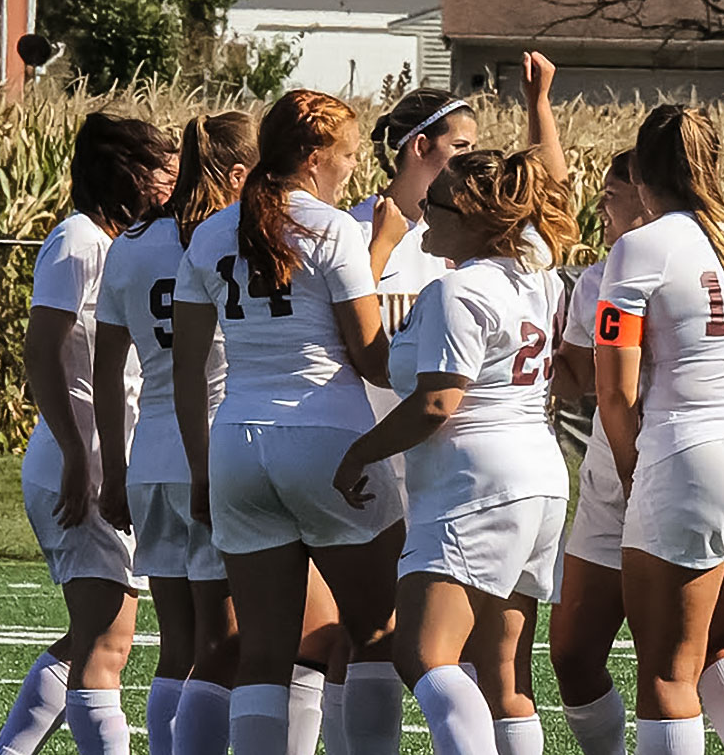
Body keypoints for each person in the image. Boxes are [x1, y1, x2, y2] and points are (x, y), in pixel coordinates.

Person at [170, 89, 411, 755]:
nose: (351, 172)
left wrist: (199, 470)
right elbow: (370, 358)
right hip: (326, 440)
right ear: (313, 156)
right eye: (348, 157)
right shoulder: (333, 228)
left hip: (237, 450)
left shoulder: (212, 231)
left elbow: (187, 368)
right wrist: (434, 359)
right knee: (378, 631)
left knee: (264, 656)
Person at [332, 147, 578, 755]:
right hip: (539, 475)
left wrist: (359, 452)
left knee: (421, 653)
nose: (422, 214)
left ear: (470, 214)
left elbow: (437, 403)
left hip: (476, 482)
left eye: (433, 204)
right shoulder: (537, 273)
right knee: (503, 677)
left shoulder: (459, 289)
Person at [596, 104, 724, 755]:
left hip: (693, 453)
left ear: (644, 172)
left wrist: (637, 477)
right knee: (714, 644)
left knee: (667, 673)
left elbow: (614, 389)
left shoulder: (639, 247)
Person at [0, 112, 174, 755]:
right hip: (82, 465)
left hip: (109, 459)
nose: (172, 175)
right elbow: (41, 352)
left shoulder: (127, 243)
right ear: (125, 171)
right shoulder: (79, 239)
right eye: (161, 164)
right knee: (107, 645)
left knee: (86, 639)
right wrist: (75, 452)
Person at [93, 111, 265, 755]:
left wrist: (115, 469)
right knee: (225, 645)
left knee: (177, 645)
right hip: (214, 452)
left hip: (151, 457)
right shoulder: (227, 239)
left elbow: (107, 368)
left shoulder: (130, 244)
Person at [547, 149, 648, 755]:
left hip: (664, 473)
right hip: (611, 484)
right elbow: (582, 377)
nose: (601, 209)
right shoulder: (596, 278)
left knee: (679, 663)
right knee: (574, 653)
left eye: (612, 196)